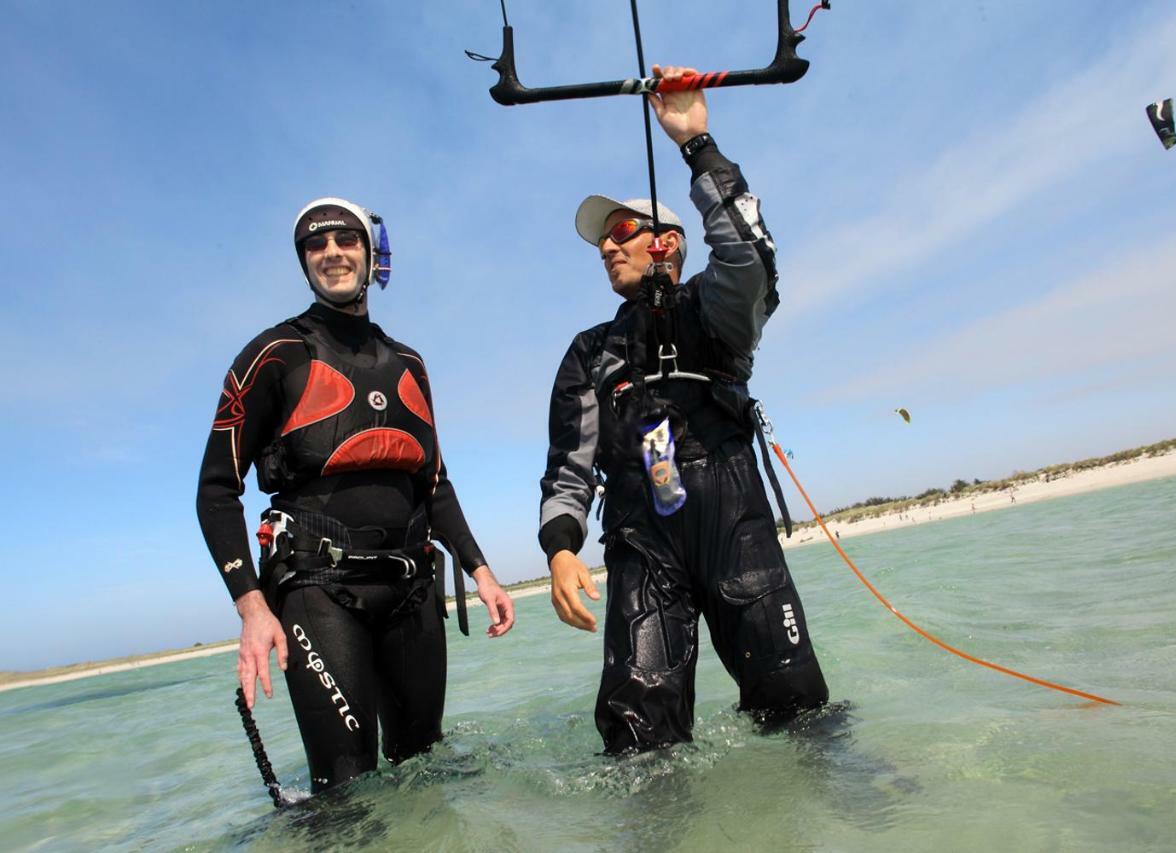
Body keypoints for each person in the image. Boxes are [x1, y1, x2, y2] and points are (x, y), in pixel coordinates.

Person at [538, 65, 829, 754]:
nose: (608, 245)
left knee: (800, 711)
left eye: (622, 231)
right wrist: (559, 550)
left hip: (736, 525)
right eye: (603, 239)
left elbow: (750, 253)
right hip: (642, 542)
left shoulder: (718, 309)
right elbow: (567, 469)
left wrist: (695, 143)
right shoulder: (590, 350)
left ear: (665, 242)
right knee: (639, 743)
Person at [196, 197, 514, 792]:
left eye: (346, 240)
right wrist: (251, 605)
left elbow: (435, 481)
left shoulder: (410, 363)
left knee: (426, 769)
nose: (332, 252)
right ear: (304, 263)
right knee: (346, 789)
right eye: (315, 245)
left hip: (412, 585)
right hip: (318, 591)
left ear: (372, 256)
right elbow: (216, 489)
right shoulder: (274, 354)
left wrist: (482, 570)